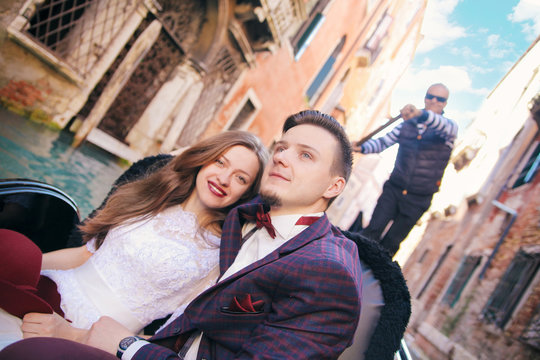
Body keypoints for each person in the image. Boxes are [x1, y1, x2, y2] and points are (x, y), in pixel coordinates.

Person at [0, 110, 364, 360]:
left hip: (128, 343)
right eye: (282, 148)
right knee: (13, 250)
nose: (282, 158)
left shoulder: (328, 272)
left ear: (335, 185)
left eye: (305, 155)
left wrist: (124, 345)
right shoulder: (246, 218)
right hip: (114, 324)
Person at [0, 130, 268, 348]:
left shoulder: (219, 254)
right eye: (220, 162)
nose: (223, 178)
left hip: (92, 336)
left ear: (245, 194)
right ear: (203, 160)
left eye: (240, 178)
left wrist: (76, 336)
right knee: (14, 251)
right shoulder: (154, 196)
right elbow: (84, 254)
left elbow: (171, 337)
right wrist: (27, 270)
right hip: (54, 290)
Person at [352, 83, 458, 257]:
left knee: (391, 243)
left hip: (419, 198)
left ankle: (371, 281)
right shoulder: (405, 126)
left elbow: (435, 121)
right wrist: (360, 148)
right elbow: (381, 143)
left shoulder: (448, 129)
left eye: (439, 99)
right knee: (371, 232)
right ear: (425, 97)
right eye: (430, 96)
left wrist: (419, 113)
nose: (433, 101)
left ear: (445, 104)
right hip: (394, 189)